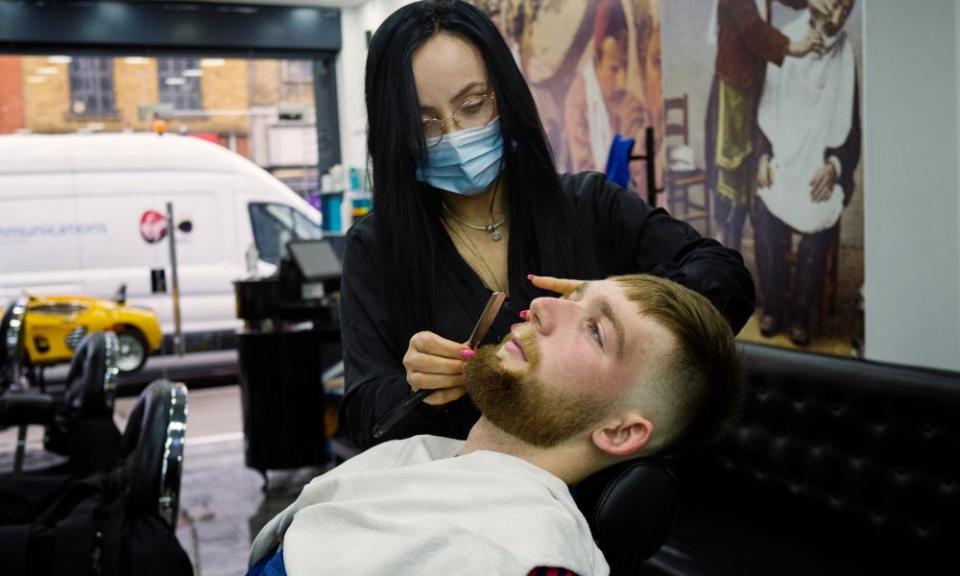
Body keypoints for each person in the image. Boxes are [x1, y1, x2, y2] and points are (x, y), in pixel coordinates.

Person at [340, 0, 754, 451]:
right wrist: (418, 388)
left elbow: (726, 278)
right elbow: (366, 418)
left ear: (507, 94)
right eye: (424, 123)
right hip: (471, 499)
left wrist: (615, 305)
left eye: (473, 105)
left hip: (609, 490)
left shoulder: (589, 206)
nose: (456, 135)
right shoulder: (376, 249)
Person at [250, 274, 743, 576]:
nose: (543, 306)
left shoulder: (527, 557)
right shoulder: (428, 456)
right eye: (575, 297)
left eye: (595, 329)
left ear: (618, 432)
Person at [753, 0, 860, 345]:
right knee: (766, 210)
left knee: (821, 218)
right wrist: (763, 158)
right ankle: (772, 308)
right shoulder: (787, 39)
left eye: (848, 8)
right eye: (836, 4)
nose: (840, 13)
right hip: (784, 159)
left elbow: (852, 132)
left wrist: (835, 166)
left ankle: (800, 313)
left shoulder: (845, 54)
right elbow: (765, 109)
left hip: (817, 167)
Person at [704, 0, 836, 252]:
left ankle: (739, 258)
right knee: (731, 178)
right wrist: (794, 47)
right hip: (733, 92)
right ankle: (723, 255)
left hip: (751, 85)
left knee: (751, 173)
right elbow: (752, 27)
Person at [564, 0, 650, 189]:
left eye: (624, 67)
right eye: (613, 69)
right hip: (591, 203)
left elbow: (641, 174)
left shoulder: (627, 102)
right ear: (597, 61)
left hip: (625, 203)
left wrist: (632, 128)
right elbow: (583, 176)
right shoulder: (578, 100)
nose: (621, 82)